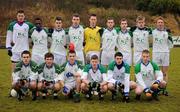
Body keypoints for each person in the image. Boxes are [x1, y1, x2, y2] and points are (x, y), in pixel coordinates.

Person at [152, 16, 173, 95]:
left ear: (163, 24)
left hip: (165, 53)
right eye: (159, 22)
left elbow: (171, 44)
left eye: (161, 22)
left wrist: (167, 51)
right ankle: (156, 88)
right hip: (156, 53)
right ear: (156, 24)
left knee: (165, 72)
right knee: (156, 72)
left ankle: (164, 89)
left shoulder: (167, 32)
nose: (160, 24)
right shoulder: (153, 32)